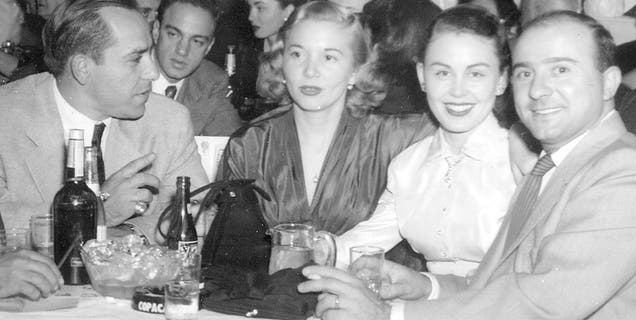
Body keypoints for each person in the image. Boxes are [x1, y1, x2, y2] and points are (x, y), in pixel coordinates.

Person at [299, 10, 636, 320]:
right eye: (527, 72)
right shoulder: (552, 167)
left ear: (610, 81)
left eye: (561, 69)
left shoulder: (623, 169)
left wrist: (389, 314)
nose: (538, 90)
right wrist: (425, 286)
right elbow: (496, 285)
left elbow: (543, 301)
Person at [219, 1, 435, 236]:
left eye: (329, 57)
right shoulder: (249, 145)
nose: (310, 71)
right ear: (283, 65)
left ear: (355, 70)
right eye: (297, 54)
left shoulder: (394, 139)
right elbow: (233, 253)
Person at [0, 0, 208, 243]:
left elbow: (198, 217)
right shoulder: (7, 117)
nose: (152, 72)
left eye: (150, 53)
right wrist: (98, 213)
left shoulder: (169, 119)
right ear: (82, 68)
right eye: (135, 59)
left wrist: (125, 234)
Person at [336, 5, 518, 276]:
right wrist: (313, 248)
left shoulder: (522, 163)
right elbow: (359, 246)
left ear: (502, 80)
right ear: (422, 76)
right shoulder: (408, 166)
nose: (457, 91)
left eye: (476, 73)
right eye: (443, 73)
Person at [152, 0, 243, 136]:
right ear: (156, 31)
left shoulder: (211, 81)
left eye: (196, 41)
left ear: (209, 47)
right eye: (173, 34)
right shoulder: (125, 72)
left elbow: (233, 145)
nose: (182, 50)